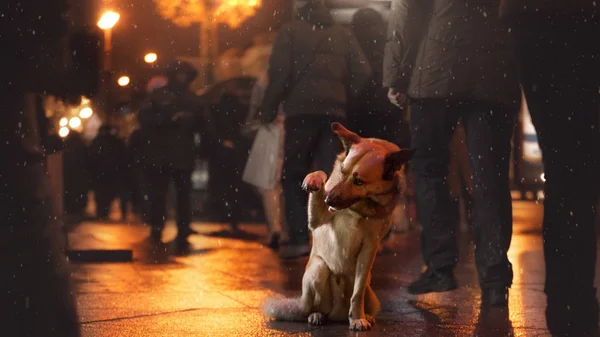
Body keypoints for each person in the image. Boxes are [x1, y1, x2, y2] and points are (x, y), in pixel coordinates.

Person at [383, 0, 521, 305]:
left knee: (430, 168)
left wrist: (397, 75)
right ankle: (495, 278)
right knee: (491, 177)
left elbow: (407, 11)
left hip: (436, 67)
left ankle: (440, 266)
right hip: (494, 70)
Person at [500, 1, 600, 335]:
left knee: (563, 169)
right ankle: (578, 298)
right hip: (581, 22)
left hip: (532, 22)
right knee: (579, 172)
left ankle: (563, 300)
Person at [259, 0, 371, 259]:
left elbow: (280, 72)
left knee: (296, 173)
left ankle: (299, 239)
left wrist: (269, 106)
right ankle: (333, 241)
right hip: (333, 114)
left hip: (300, 112)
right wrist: (343, 96)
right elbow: (362, 71)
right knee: (331, 176)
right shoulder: (343, 34)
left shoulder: (290, 31)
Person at [137, 60, 205, 245]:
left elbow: (204, 124)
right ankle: (157, 225)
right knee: (159, 193)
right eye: (179, 74)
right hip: (161, 154)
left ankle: (183, 226)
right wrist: (167, 119)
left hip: (183, 153)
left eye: (185, 75)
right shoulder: (157, 97)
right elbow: (144, 119)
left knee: (183, 193)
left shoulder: (192, 98)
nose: (182, 78)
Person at [247, 71, 286, 249]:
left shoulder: (265, 79)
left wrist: (252, 122)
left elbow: (255, 107)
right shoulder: (300, 73)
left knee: (268, 184)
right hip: (294, 130)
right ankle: (290, 229)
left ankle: (275, 227)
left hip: (271, 131)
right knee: (288, 182)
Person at [87, 125, 126, 220]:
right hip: (111, 172)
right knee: (109, 192)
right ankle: (104, 211)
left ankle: (102, 212)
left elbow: (91, 157)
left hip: (101, 172)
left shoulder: (97, 141)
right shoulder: (116, 141)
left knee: (101, 194)